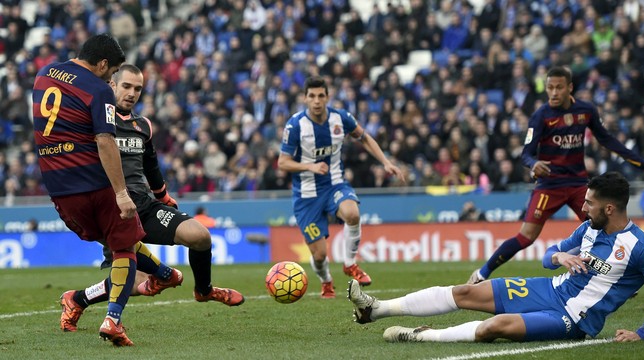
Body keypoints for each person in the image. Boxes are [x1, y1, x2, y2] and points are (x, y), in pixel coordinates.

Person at [349, 172, 644, 343]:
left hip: (573, 319)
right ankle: (378, 309)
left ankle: (421, 335)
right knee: (466, 292)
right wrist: (561, 257)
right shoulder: (588, 230)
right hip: (549, 289)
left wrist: (643, 332)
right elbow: (548, 256)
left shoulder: (639, 247)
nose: (583, 206)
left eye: (589, 203)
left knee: (495, 327)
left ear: (610, 208)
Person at [58, 64, 244, 334]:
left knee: (200, 236)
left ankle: (204, 290)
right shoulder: (94, 121)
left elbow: (151, 166)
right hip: (112, 210)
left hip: (144, 205)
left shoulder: (142, 125)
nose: (132, 93)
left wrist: (163, 196)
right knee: (133, 284)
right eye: (126, 87)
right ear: (112, 85)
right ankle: (77, 299)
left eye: (138, 89)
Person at [467, 66, 644, 284]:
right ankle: (482, 273)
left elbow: (607, 140)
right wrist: (534, 164)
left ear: (570, 87)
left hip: (579, 184)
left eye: (559, 87)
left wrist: (641, 162)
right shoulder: (540, 116)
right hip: (549, 185)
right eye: (550, 88)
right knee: (527, 236)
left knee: (606, 227)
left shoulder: (586, 111)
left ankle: (620, 275)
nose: (554, 92)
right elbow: (526, 154)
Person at [32, 34, 142, 346]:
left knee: (120, 238)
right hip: (93, 182)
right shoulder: (98, 89)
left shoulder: (43, 75)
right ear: (103, 63)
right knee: (125, 247)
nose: (113, 78)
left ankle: (160, 274)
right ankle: (113, 319)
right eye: (114, 70)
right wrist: (121, 192)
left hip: (59, 188)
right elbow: (105, 140)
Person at [278, 76, 403, 298]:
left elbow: (364, 137)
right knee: (318, 255)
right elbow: (283, 162)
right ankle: (326, 281)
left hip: (334, 183)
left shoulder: (340, 118)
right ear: (305, 98)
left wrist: (385, 162)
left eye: (321, 96)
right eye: (312, 96)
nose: (317, 101)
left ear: (328, 97)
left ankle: (350, 264)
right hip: (306, 195)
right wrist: (311, 167)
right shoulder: (295, 125)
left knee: (352, 213)